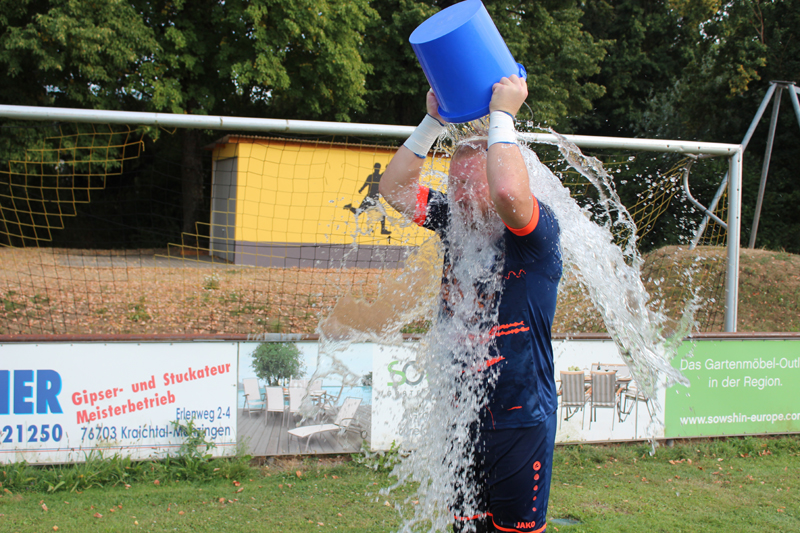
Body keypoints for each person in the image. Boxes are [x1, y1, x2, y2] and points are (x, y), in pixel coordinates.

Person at [379, 75, 562, 533]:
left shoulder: (535, 237)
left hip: (519, 419)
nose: (458, 195)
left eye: (469, 184)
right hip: (461, 416)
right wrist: (431, 123)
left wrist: (501, 116)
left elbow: (508, 195)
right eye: (453, 183)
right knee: (463, 529)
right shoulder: (456, 224)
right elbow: (393, 191)